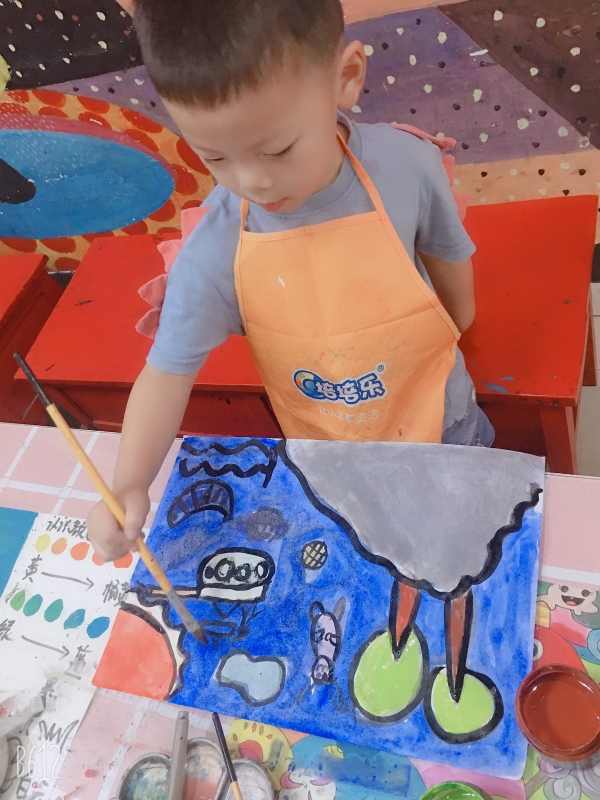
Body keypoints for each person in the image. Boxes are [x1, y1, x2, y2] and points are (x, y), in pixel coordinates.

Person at [88, 0, 494, 562]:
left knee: (461, 553)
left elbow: (456, 292)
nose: (253, 180)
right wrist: (130, 484)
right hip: (327, 451)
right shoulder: (214, 249)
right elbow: (164, 375)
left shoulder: (408, 164)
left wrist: (447, 330)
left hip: (443, 421)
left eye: (278, 149)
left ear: (346, 76)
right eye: (215, 158)